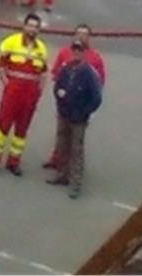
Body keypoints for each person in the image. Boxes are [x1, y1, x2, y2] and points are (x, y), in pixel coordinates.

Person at [0, 11, 49, 176]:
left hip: (30, 97)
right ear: (24, 26)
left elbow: (43, 73)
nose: (32, 29)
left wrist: (39, 92)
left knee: (22, 130)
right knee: (3, 126)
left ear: (39, 30)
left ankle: (13, 162)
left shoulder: (42, 49)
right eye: (30, 25)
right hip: (13, 93)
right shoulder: (11, 42)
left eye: (36, 27)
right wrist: (7, 84)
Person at [44, 24, 107, 171]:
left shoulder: (95, 58)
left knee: (76, 139)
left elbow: (100, 82)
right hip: (65, 103)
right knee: (61, 134)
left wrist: (88, 108)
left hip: (81, 106)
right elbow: (56, 74)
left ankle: (72, 169)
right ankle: (57, 160)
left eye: (84, 34)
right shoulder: (65, 52)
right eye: (78, 33)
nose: (81, 36)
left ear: (89, 37)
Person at [47, 38, 103, 198]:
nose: (77, 52)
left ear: (85, 53)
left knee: (77, 150)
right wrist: (60, 102)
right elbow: (57, 86)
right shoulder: (66, 69)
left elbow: (96, 98)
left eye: (80, 50)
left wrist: (84, 112)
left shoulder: (89, 74)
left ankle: (75, 184)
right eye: (75, 49)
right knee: (62, 145)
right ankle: (61, 176)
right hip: (64, 115)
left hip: (79, 119)